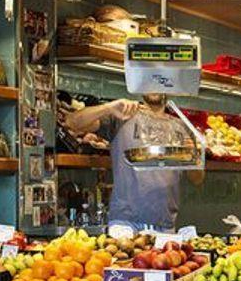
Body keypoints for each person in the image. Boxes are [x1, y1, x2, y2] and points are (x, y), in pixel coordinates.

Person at [65, 94, 204, 231]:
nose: (153, 85)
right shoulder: (122, 116)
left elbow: (197, 179)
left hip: (166, 224)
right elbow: (72, 122)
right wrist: (109, 107)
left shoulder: (182, 127)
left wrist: (193, 157)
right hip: (125, 224)